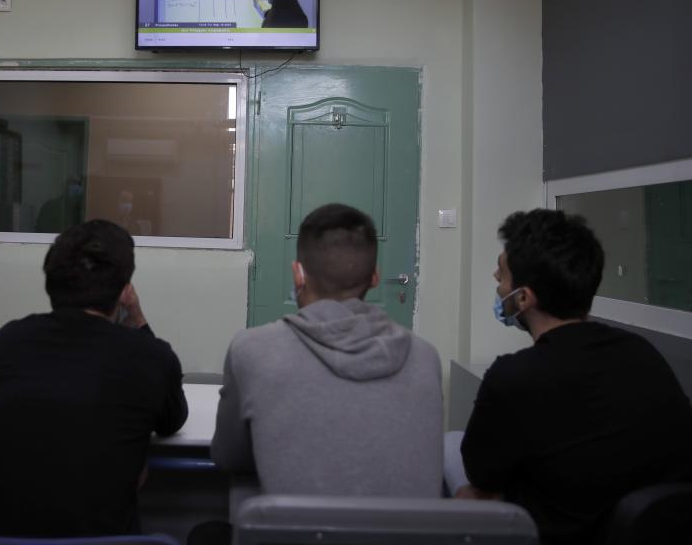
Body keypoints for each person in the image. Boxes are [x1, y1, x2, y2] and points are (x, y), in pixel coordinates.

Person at [455, 209, 692, 545]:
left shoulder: (513, 377)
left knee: (457, 467)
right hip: (652, 530)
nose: (496, 277)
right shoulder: (643, 353)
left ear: (523, 298)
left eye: (502, 272)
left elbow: (480, 475)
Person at [0, 219, 187, 536]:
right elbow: (171, 420)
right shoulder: (150, 357)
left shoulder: (6, 342)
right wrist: (137, 319)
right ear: (124, 289)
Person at [212, 203, 443, 496]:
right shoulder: (425, 357)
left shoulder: (252, 350)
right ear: (374, 277)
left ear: (298, 275)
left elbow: (228, 457)